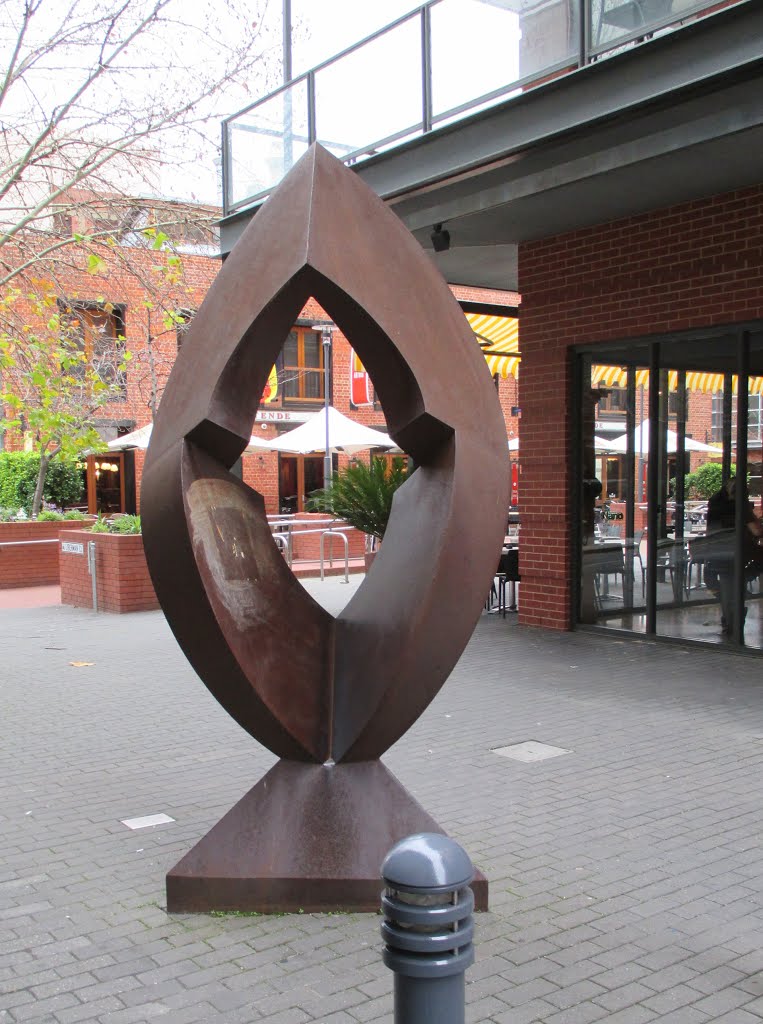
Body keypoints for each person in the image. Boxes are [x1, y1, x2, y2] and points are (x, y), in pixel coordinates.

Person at [704, 477, 763, 634]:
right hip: (736, 552)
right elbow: (756, 531)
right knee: (739, 581)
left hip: (716, 550)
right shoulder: (740, 505)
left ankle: (728, 621)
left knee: (726, 584)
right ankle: (735, 621)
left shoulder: (715, 502)